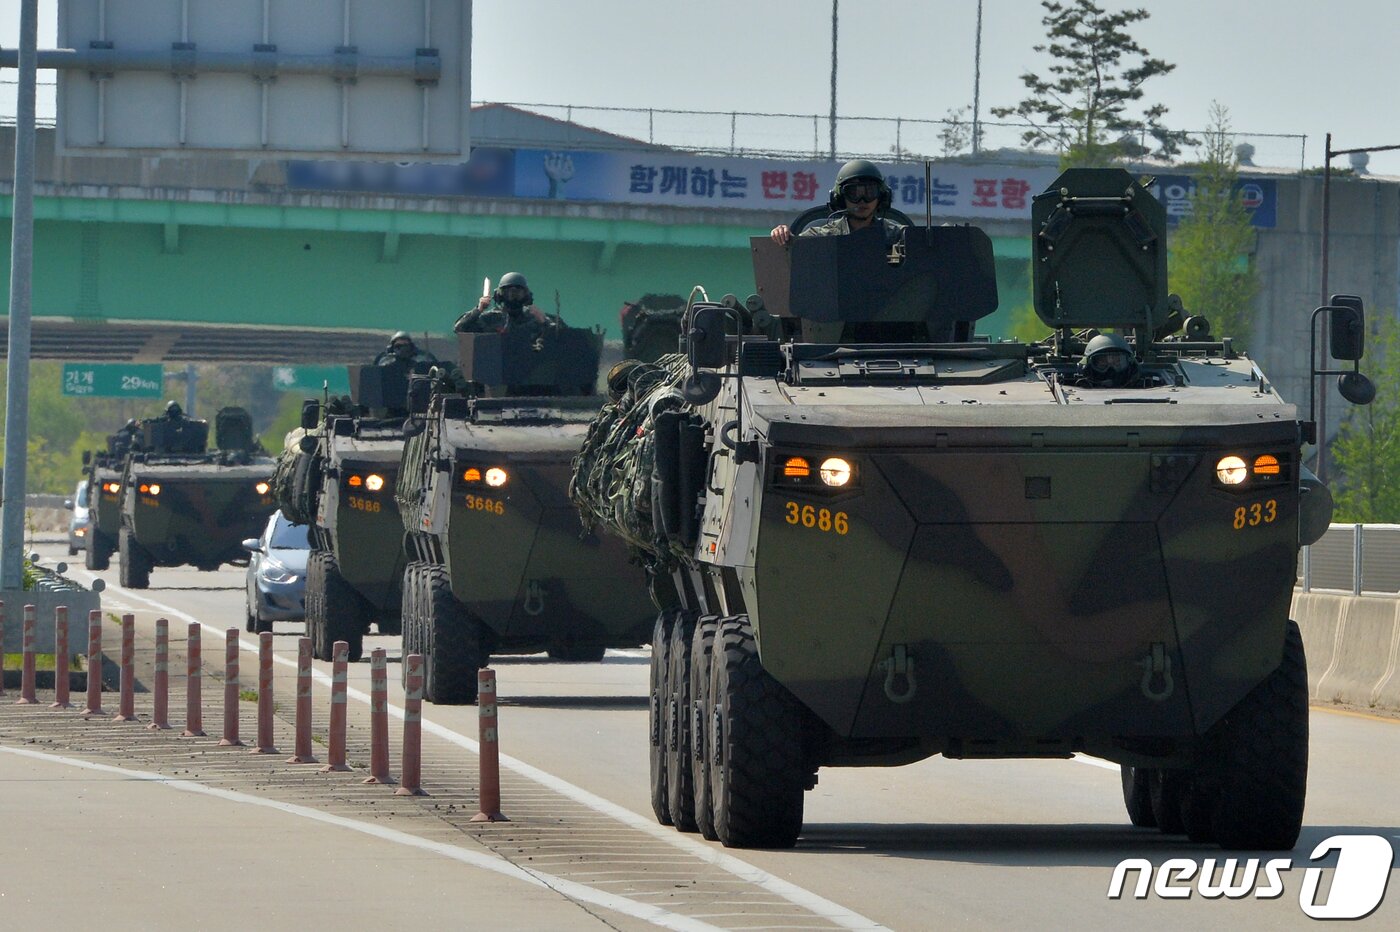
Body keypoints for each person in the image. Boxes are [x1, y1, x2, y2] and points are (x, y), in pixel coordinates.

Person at [770, 159, 906, 245]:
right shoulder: (824, 237)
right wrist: (783, 235)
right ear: (840, 198)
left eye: (869, 193)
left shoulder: (896, 235)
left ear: (881, 197)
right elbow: (797, 250)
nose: (862, 201)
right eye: (854, 193)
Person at [453, 272, 563, 343]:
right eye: (508, 292)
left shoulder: (534, 319)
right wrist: (478, 309)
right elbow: (460, 328)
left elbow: (563, 337)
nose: (513, 295)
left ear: (526, 295)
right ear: (499, 295)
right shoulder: (490, 319)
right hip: (495, 371)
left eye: (518, 292)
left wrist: (544, 322)